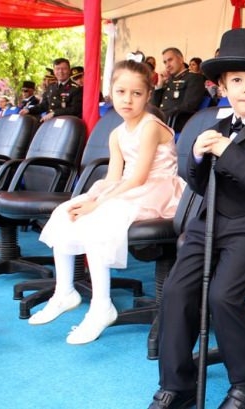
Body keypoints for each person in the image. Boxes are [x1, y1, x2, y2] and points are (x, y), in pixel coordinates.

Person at [148, 28, 245, 409]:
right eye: (236, 80)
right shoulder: (216, 129)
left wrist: (227, 152)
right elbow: (200, 184)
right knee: (176, 292)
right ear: (222, 87)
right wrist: (197, 157)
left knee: (223, 295)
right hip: (208, 225)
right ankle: (177, 384)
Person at [27, 60, 185, 345]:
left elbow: (138, 178)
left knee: (99, 218)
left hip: (157, 189)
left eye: (136, 93)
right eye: (121, 92)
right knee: (67, 211)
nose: (128, 99)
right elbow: (114, 177)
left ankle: (102, 307)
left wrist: (98, 206)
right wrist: (93, 199)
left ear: (148, 95)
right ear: (111, 92)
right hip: (128, 187)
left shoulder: (150, 126)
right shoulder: (116, 133)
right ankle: (64, 291)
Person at [152, 47, 206, 132]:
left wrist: (162, 116)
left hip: (176, 123)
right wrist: (159, 87)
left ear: (181, 59)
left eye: (170, 60)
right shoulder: (169, 81)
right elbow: (154, 106)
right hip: (161, 123)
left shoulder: (194, 78)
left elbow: (189, 105)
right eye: (165, 62)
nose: (167, 65)